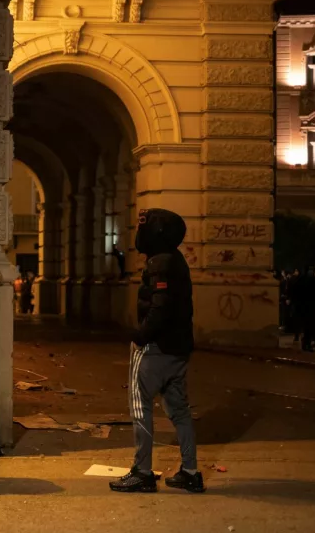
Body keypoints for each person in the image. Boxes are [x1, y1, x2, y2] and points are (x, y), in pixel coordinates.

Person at [109, 208, 202, 494]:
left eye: (144, 227)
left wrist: (140, 336)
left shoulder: (159, 263)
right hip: (178, 349)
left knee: (141, 407)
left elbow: (160, 306)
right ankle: (190, 472)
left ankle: (143, 472)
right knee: (180, 410)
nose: (140, 233)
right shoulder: (176, 260)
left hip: (156, 348)